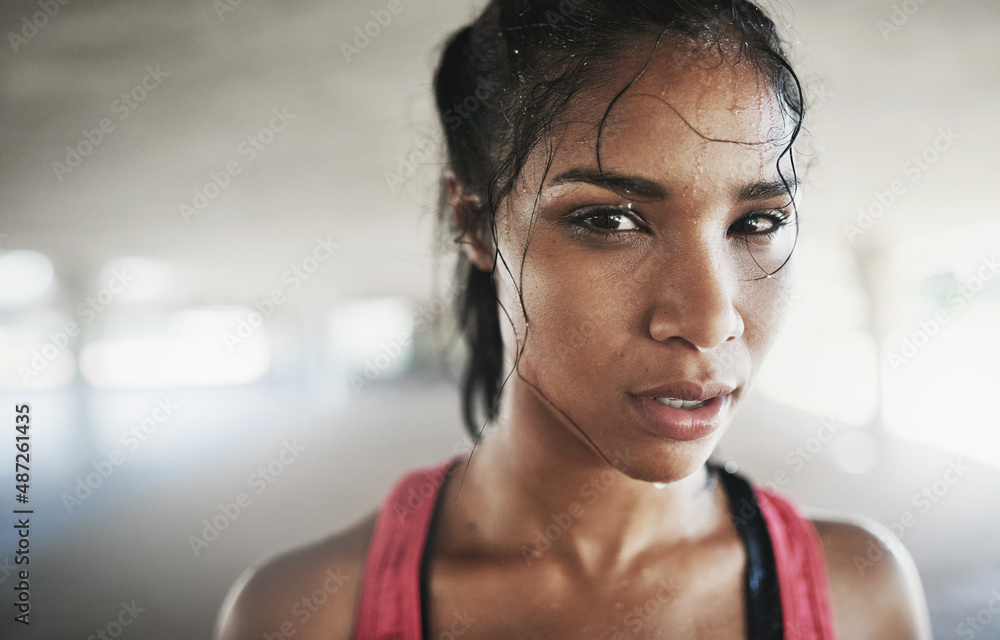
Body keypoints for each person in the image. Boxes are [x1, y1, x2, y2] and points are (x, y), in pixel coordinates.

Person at [215, 1, 933, 637]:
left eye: (758, 221)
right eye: (610, 218)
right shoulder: (303, 615)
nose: (710, 321)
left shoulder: (862, 596)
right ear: (475, 222)